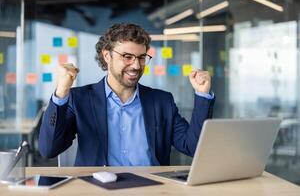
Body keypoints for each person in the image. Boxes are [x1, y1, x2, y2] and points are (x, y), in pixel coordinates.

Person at [39, 23, 215, 166]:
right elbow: (49, 149)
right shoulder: (80, 99)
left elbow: (193, 147)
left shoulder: (162, 101)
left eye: (141, 57)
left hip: (153, 189)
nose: (136, 65)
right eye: (127, 56)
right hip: (97, 189)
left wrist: (202, 95)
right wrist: (61, 93)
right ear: (107, 56)